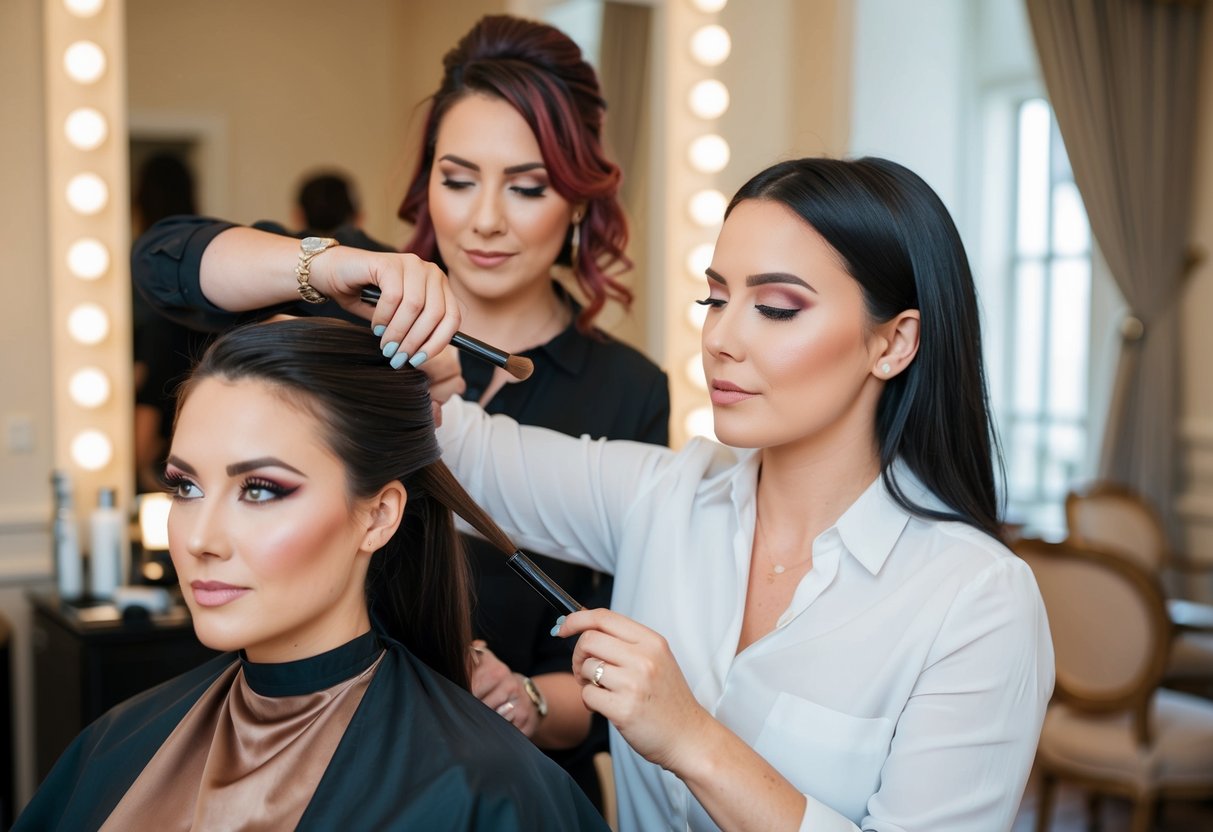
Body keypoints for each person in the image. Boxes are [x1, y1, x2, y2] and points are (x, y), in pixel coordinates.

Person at [397, 157, 1053, 830]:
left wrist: (691, 739)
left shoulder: (977, 603)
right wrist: (367, 296)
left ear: (892, 342)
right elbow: (459, 448)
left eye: (774, 307)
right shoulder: (667, 497)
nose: (719, 338)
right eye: (714, 299)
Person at [131, 14, 669, 808]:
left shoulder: (626, 390)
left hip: (507, 790)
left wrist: (528, 697)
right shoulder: (351, 306)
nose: (485, 218)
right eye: (457, 180)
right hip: (314, 755)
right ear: (426, 188)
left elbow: (622, 650)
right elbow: (165, 262)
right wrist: (329, 267)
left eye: (526, 187)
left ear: (578, 203)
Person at [13, 318, 607, 832]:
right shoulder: (117, 746)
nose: (199, 540)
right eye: (186, 487)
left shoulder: (483, 788)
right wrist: (316, 266)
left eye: (261, 490)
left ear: (378, 516)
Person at [130, 152, 211, 493]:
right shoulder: (205, 263)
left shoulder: (143, 265)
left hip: (159, 404)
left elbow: (151, 364)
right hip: (193, 404)